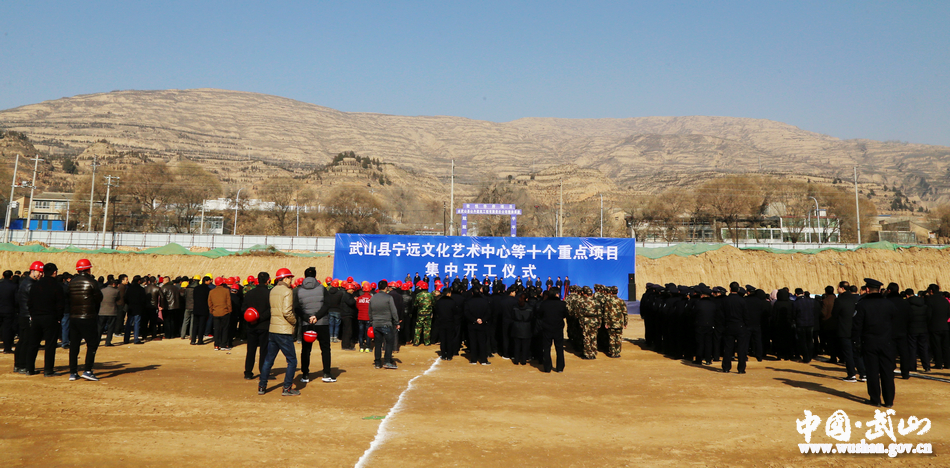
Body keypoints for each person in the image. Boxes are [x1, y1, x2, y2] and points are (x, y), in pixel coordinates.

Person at [853, 278, 897, 408]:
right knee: (887, 372)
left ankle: (875, 399)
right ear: (879, 290)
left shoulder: (862, 305)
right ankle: (889, 400)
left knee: (872, 371)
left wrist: (856, 342)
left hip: (870, 342)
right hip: (887, 342)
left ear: (867, 289)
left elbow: (857, 326)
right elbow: (896, 323)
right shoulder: (889, 304)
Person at [259, 268, 300, 396]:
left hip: (273, 329)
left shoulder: (273, 290)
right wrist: (294, 322)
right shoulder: (287, 292)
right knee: (292, 360)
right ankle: (287, 388)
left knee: (268, 360)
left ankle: (262, 386)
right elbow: (287, 312)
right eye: (290, 277)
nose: (291, 280)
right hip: (284, 330)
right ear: (285, 278)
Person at [27, 263, 66, 377]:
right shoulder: (57, 286)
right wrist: (59, 318)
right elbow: (60, 305)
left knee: (33, 343)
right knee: (50, 344)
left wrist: (33, 314)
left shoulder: (36, 285)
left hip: (36, 317)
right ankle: (48, 370)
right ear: (54, 272)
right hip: (50, 318)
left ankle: (30, 369)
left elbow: (29, 302)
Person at [67, 259, 103, 381]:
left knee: (74, 345)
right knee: (92, 344)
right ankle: (87, 370)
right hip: (88, 317)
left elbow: (68, 298)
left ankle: (73, 372)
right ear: (88, 269)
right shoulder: (92, 282)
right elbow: (99, 298)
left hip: (74, 317)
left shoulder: (71, 282)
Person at [295, 267, 332, 383]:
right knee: (325, 349)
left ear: (304, 276)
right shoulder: (322, 288)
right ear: (316, 276)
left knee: (306, 350)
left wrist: (307, 318)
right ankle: (326, 373)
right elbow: (327, 304)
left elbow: (297, 308)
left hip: (306, 323)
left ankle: (305, 375)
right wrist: (317, 316)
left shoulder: (299, 290)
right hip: (322, 323)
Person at [14, 261, 43, 374]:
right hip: (28, 316)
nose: (40, 274)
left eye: (41, 272)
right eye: (38, 271)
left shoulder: (25, 282)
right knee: (27, 341)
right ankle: (23, 365)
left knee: (22, 341)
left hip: (23, 315)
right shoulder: (31, 284)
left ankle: (18, 365)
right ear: (32, 271)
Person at [243, 272, 271, 380]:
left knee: (251, 350)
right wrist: (260, 318)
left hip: (251, 325)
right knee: (264, 350)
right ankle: (263, 372)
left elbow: (244, 309)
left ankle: (248, 372)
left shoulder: (249, 293)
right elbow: (270, 310)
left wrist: (252, 318)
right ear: (268, 280)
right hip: (264, 325)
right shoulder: (269, 294)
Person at [369, 280, 399, 369]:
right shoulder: (388, 298)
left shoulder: (373, 298)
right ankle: (387, 361)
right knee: (389, 342)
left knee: (378, 343)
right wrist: (396, 322)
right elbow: (394, 311)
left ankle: (377, 363)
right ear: (386, 288)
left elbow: (370, 311)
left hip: (376, 324)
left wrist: (372, 321)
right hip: (386, 323)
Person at [536, 288, 568, 373]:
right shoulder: (562, 304)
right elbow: (565, 314)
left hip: (546, 328)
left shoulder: (544, 304)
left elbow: (539, 315)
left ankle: (547, 367)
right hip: (558, 328)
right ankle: (560, 367)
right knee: (559, 348)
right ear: (557, 294)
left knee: (546, 348)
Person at [721, 282, 750, 374]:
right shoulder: (742, 301)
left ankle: (726, 367)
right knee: (741, 348)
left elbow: (722, 315)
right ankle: (741, 369)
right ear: (738, 289)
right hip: (740, 326)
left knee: (728, 348)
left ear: (730, 289)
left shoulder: (725, 300)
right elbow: (746, 315)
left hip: (729, 325)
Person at [464, 285, 492, 365]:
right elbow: (488, 313)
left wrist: (474, 320)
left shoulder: (468, 302)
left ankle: (473, 359)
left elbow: (466, 313)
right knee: (482, 342)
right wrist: (482, 319)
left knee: (473, 342)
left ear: (472, 293)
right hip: (482, 324)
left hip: (472, 324)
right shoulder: (485, 301)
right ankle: (483, 360)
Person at [925, 284, 950, 370]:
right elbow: (948, 313)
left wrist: (928, 323)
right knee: (946, 346)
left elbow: (929, 314)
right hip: (945, 326)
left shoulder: (930, 300)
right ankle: (947, 363)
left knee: (937, 346)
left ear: (931, 291)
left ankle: (938, 364)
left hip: (934, 326)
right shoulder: (945, 300)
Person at [433, 287, 458, 360]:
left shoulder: (439, 302)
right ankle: (449, 355)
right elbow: (455, 313)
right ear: (448, 293)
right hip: (450, 322)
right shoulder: (452, 302)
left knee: (443, 339)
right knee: (449, 339)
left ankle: (443, 354)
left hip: (441, 322)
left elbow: (436, 312)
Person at [208, 277, 232, 351]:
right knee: (225, 329)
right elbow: (229, 302)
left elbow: (210, 303)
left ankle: (216, 345)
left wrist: (212, 311)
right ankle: (223, 345)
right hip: (225, 312)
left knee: (216, 329)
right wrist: (229, 311)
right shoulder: (226, 291)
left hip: (215, 313)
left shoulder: (211, 292)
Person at [604, 286, 628, 358]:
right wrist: (625, 323)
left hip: (611, 323)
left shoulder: (608, 301)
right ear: (617, 292)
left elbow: (606, 313)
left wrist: (606, 323)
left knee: (612, 338)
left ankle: (612, 352)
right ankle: (617, 353)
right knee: (618, 338)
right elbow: (625, 313)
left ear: (611, 292)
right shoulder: (621, 301)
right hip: (619, 323)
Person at [510, 293, 533, 365]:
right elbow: (532, 318)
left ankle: (516, 360)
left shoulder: (515, 307)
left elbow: (512, 316)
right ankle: (523, 360)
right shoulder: (530, 308)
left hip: (517, 327)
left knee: (517, 345)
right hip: (526, 327)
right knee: (525, 346)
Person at [124, 276, 147, 345]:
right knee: (137, 323)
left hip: (131, 308)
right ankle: (136, 339)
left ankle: (126, 339)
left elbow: (125, 298)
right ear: (139, 281)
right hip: (138, 308)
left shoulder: (129, 289)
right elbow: (144, 300)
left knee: (128, 323)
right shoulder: (141, 289)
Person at [98, 278, 121, 347]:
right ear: (114, 284)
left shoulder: (102, 290)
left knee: (100, 327)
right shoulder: (116, 291)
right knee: (110, 327)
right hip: (112, 311)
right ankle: (108, 342)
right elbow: (118, 299)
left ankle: (97, 341)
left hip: (102, 311)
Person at [0, 270, 17, 354]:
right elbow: (16, 300)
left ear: (3, 276)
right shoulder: (14, 286)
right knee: (7, 329)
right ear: (11, 277)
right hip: (9, 310)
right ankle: (7, 347)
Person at [191, 276, 212, 345]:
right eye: (209, 280)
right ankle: (200, 340)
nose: (210, 282)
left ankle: (193, 340)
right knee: (202, 325)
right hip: (204, 309)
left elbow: (193, 298)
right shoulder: (208, 290)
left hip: (196, 308)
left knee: (195, 325)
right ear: (206, 281)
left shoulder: (196, 288)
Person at [356, 284, 372, 352]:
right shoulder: (371, 298)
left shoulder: (359, 298)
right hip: (368, 318)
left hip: (360, 317)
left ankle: (361, 347)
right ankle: (368, 347)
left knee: (361, 333)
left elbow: (357, 307)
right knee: (368, 333)